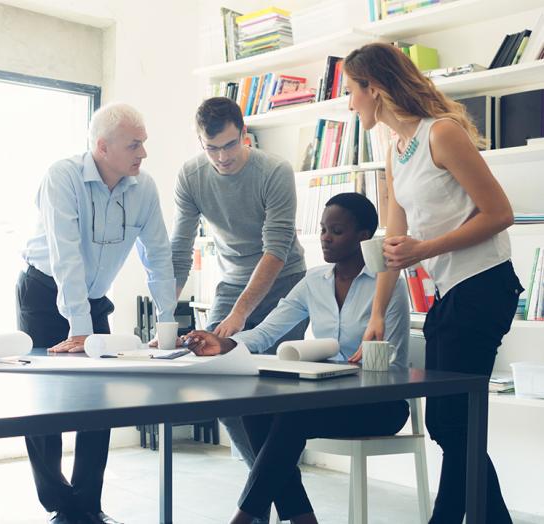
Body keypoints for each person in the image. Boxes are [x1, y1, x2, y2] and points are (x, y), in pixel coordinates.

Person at [343, 42, 522, 523]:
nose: (349, 101)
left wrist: (426, 249)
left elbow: (500, 214)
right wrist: (376, 314)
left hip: (484, 286)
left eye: (351, 91)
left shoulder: (441, 134)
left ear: (374, 89)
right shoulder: (394, 151)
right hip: (452, 293)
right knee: (454, 423)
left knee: (451, 420)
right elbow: (394, 240)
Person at [183, 192, 411, 524]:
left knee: (291, 417)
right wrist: (223, 344)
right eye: (322, 229)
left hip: (380, 403)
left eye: (336, 230)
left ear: (364, 236)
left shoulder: (387, 285)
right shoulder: (314, 281)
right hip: (329, 396)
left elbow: (392, 360)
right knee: (255, 410)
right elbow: (266, 331)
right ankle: (301, 519)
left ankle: (244, 518)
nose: (325, 238)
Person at [17, 102, 176, 524]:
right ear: (102, 147)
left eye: (144, 144)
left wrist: (168, 324)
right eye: (134, 145)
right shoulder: (63, 176)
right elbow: (65, 255)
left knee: (99, 403)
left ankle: (86, 506)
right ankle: (58, 501)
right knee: (45, 402)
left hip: (92, 298)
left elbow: (157, 255)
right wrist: (80, 329)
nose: (143, 153)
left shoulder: (144, 188)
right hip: (43, 290)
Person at [171, 97, 308, 522]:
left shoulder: (274, 171)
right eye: (211, 149)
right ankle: (267, 498)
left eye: (229, 146)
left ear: (243, 134)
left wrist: (239, 315)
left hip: (285, 281)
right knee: (221, 386)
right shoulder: (191, 175)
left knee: (275, 396)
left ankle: (256, 508)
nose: (222, 157)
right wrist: (165, 311)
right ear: (200, 142)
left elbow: (276, 249)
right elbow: (179, 248)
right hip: (231, 282)